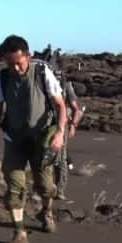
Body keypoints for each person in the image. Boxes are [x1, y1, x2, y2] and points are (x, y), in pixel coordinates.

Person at [0, 35, 67, 243]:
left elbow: (60, 105)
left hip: (42, 139)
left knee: (46, 185)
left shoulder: (41, 73)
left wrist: (59, 133)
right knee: (14, 186)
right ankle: (19, 233)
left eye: (19, 63)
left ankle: (46, 211)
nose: (15, 68)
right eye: (10, 63)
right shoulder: (1, 79)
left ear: (28, 57)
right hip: (14, 139)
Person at [51, 66, 84, 201]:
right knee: (55, 158)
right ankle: (52, 188)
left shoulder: (66, 86)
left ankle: (59, 189)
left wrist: (72, 126)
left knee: (61, 158)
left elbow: (77, 109)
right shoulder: (46, 82)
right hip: (48, 124)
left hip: (61, 124)